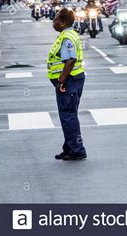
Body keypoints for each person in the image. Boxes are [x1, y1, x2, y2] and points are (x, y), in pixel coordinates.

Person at [47, 8, 87, 161]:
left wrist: (61, 80)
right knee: (69, 115)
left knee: (68, 116)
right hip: (73, 80)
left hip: (69, 81)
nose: (53, 22)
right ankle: (69, 148)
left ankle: (77, 150)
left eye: (56, 19)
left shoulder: (67, 37)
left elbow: (70, 60)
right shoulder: (67, 34)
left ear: (63, 23)